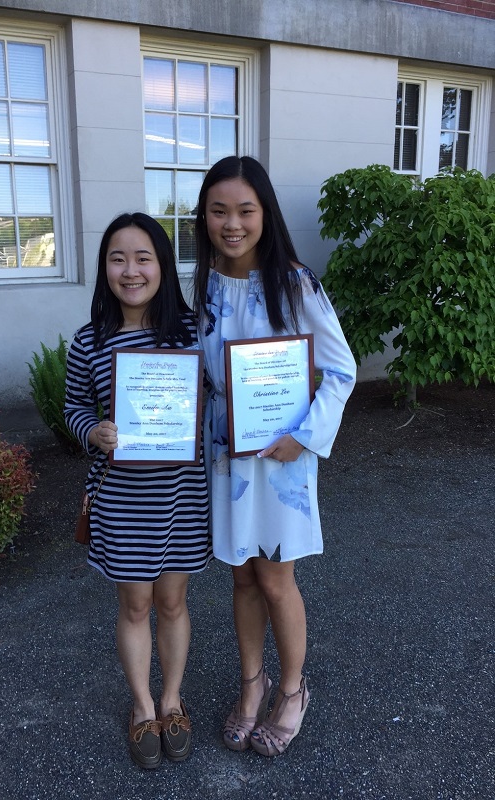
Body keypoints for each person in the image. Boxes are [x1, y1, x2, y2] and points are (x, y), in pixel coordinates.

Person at [192, 156, 356, 757]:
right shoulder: (204, 280)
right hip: (226, 458)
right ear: (203, 216)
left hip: (283, 457)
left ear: (265, 214)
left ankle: (292, 691)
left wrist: (307, 436)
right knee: (241, 574)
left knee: (276, 576)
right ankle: (251, 685)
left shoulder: (295, 283)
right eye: (218, 211)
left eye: (245, 211)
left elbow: (342, 370)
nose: (231, 224)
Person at [64, 212, 211, 770]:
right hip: (123, 497)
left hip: (181, 492)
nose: (130, 270)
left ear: (163, 266)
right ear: (105, 269)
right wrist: (92, 431)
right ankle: (143, 706)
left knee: (173, 601)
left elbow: (221, 393)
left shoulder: (191, 331)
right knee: (136, 603)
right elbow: (75, 406)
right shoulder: (90, 341)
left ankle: (172, 699)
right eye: (117, 258)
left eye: (143, 257)